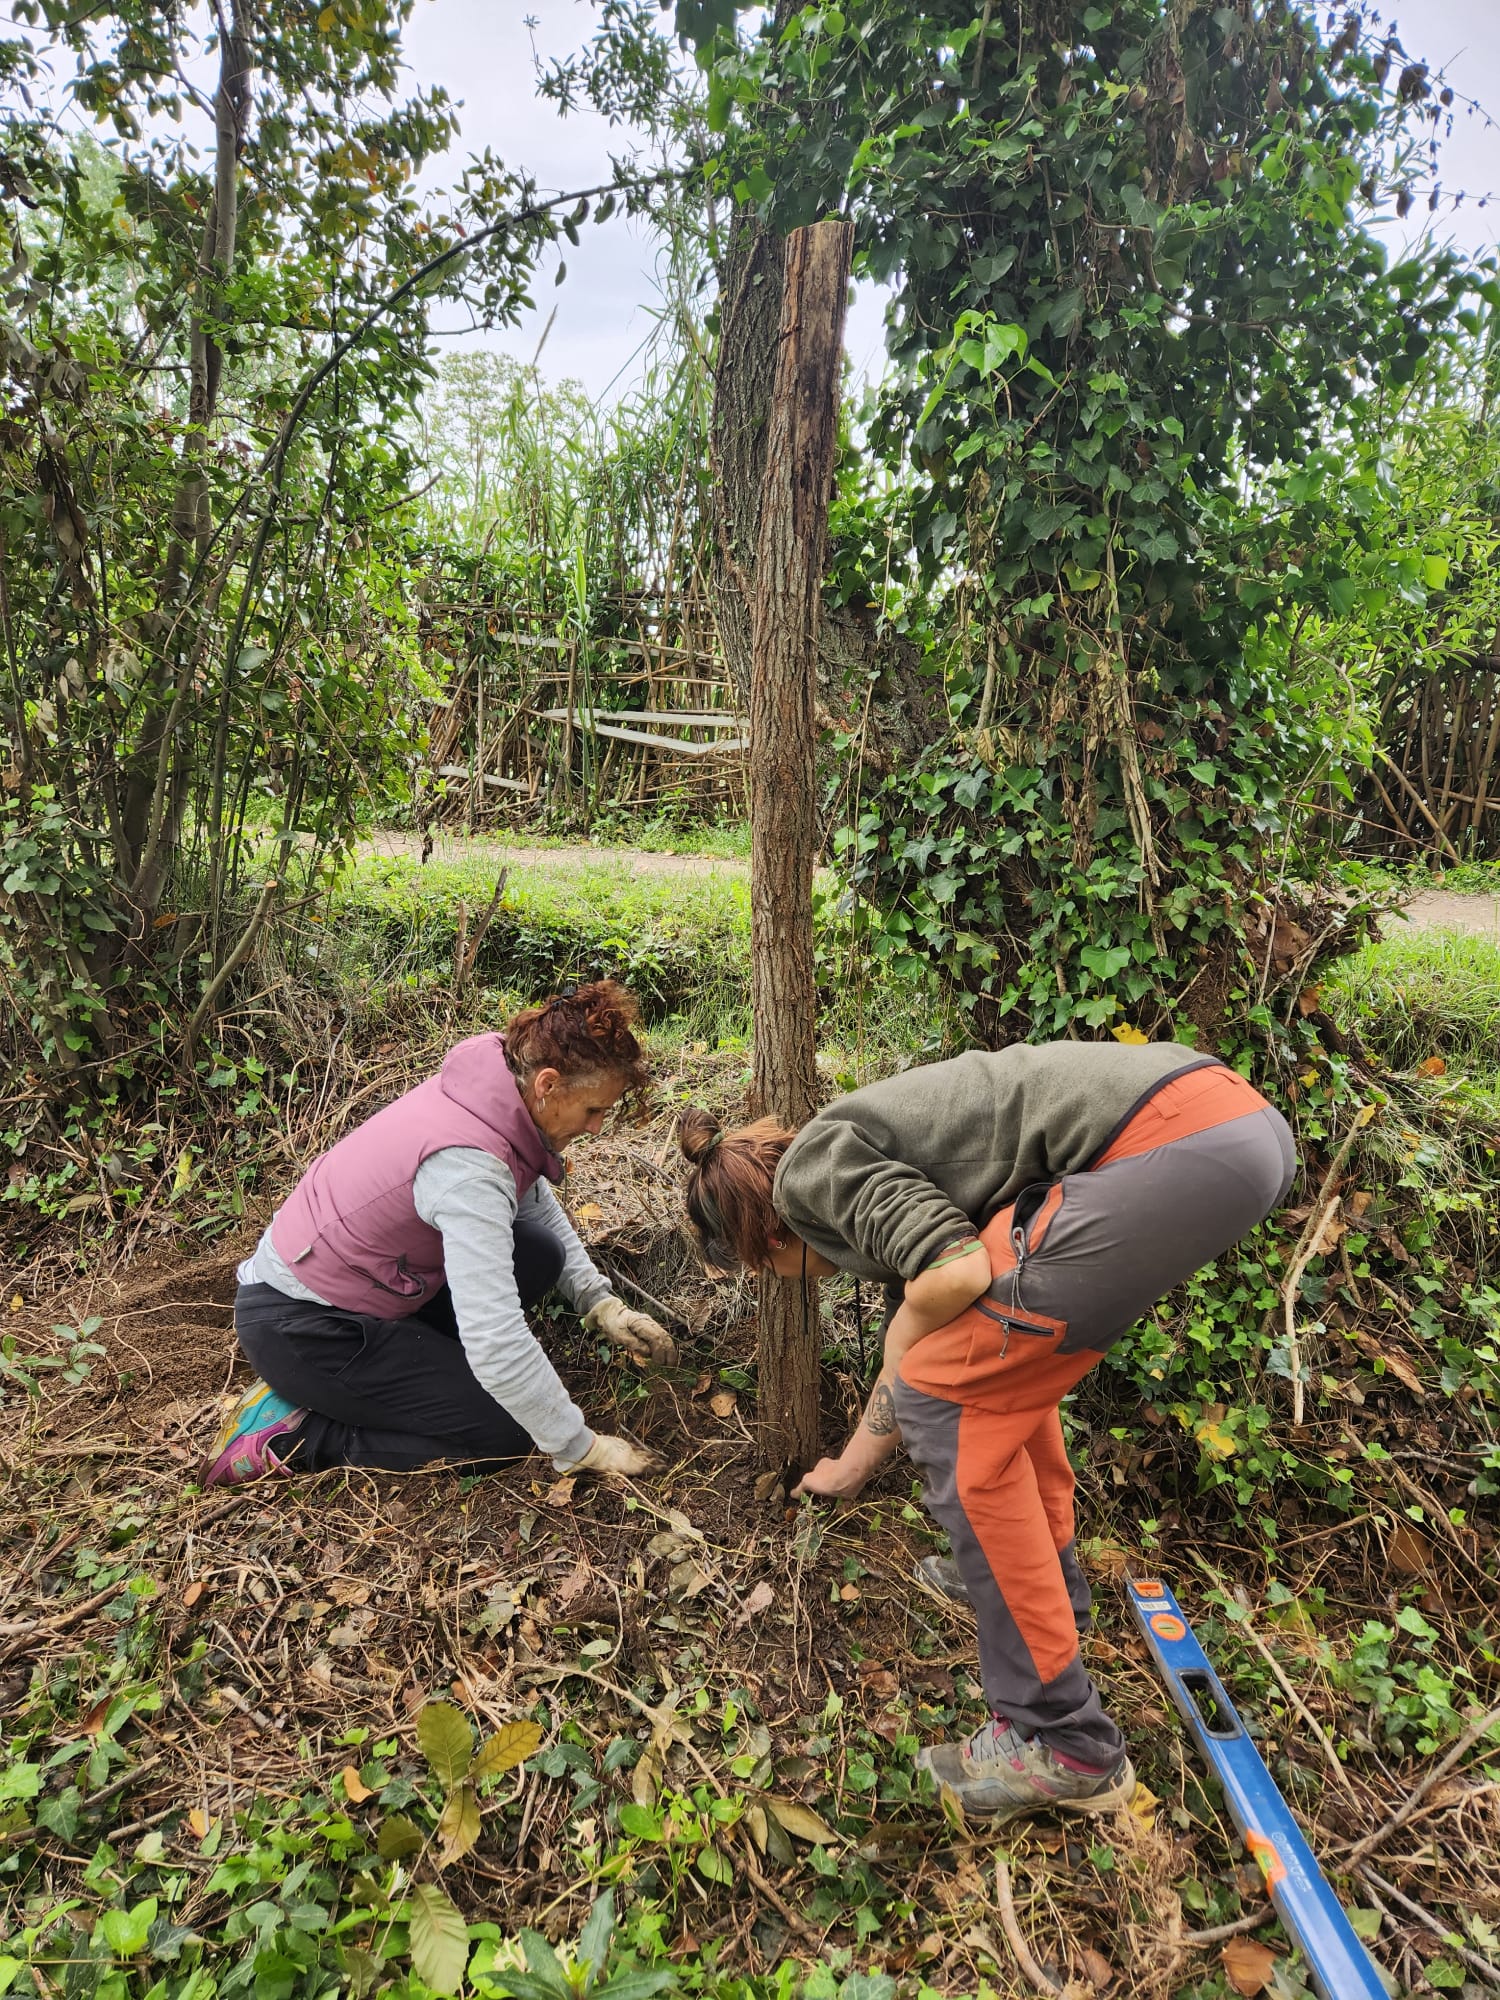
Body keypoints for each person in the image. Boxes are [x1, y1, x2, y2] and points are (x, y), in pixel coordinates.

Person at [677, 1040, 1294, 1824]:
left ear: (766, 1241)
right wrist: (852, 1465)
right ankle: (1049, 1594)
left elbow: (956, 1278)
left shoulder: (811, 1177)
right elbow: (952, 1326)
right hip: (1233, 1128)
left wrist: (903, 1349)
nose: (784, 1285)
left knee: (950, 1397)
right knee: (993, 1365)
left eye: (767, 1276)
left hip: (1170, 1142)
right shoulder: (866, 1175)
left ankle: (1066, 1742)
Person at [206, 980, 673, 1488]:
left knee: (538, 1253)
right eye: (593, 1110)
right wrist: (579, 1447)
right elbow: (495, 1340)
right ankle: (294, 1435)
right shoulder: (468, 1169)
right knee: (506, 1434)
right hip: (303, 1326)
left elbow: (534, 1204)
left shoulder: (497, 1087)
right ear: (548, 1085)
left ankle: (399, 1380)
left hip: (362, 1293)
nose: (597, 1126)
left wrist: (599, 1303)